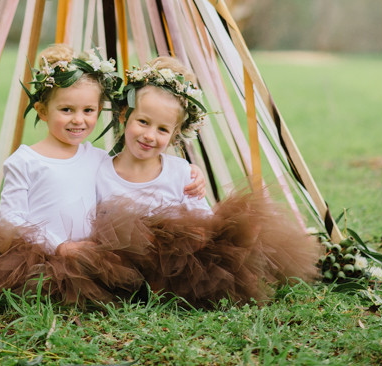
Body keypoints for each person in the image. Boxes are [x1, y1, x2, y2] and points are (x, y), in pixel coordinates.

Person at [0, 46, 203, 303]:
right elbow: (10, 218)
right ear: (42, 111)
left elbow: (132, 184)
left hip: (89, 257)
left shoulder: (98, 160)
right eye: (66, 110)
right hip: (39, 255)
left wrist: (190, 172)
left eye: (88, 110)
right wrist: (58, 245)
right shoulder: (25, 161)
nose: (78, 120)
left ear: (100, 110)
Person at [91, 56, 321, 307]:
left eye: (162, 129)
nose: (149, 135)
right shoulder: (99, 170)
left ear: (175, 134)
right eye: (143, 122)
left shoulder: (179, 172)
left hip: (171, 269)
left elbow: (202, 220)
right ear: (124, 115)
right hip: (121, 267)